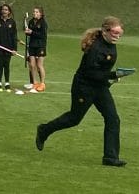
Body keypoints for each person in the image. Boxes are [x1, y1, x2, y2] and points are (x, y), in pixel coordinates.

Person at [35, 16, 128, 167]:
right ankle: (44, 130)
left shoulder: (110, 44)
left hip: (100, 86)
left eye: (120, 33)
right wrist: (113, 75)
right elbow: (92, 73)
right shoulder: (95, 48)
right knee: (74, 118)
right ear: (105, 31)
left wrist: (112, 76)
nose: (117, 36)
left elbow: (101, 72)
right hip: (84, 87)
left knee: (113, 119)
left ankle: (110, 157)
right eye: (115, 33)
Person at [0, 3, 18, 90]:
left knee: (7, 65)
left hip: (9, 47)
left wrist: (14, 49)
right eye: (3, 9)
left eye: (6, 10)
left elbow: (14, 36)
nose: (4, 11)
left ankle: (7, 83)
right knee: (0, 64)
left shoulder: (12, 22)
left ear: (9, 12)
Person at [24, 6, 48, 92]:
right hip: (32, 46)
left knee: (39, 65)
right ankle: (34, 83)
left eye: (37, 12)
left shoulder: (43, 23)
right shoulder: (31, 22)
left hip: (40, 46)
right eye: (34, 12)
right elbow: (30, 33)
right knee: (32, 65)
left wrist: (32, 32)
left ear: (41, 13)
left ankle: (42, 83)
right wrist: (27, 32)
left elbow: (42, 35)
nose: (35, 13)